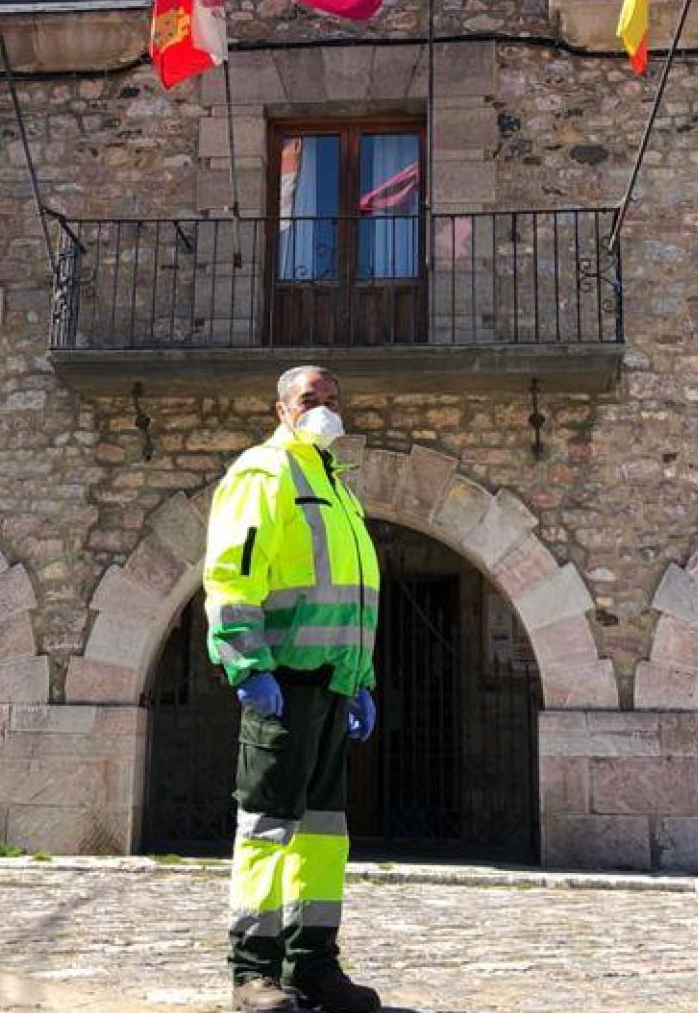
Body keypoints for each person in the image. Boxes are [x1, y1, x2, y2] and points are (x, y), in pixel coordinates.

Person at [204, 365, 383, 1013]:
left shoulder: (338, 488)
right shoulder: (265, 472)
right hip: (284, 684)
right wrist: (247, 665)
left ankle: (313, 964)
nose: (326, 408)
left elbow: (349, 592)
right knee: (267, 829)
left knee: (323, 834)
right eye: (312, 399)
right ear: (282, 409)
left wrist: (361, 681)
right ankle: (254, 972)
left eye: (334, 398)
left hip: (333, 688)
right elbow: (232, 573)